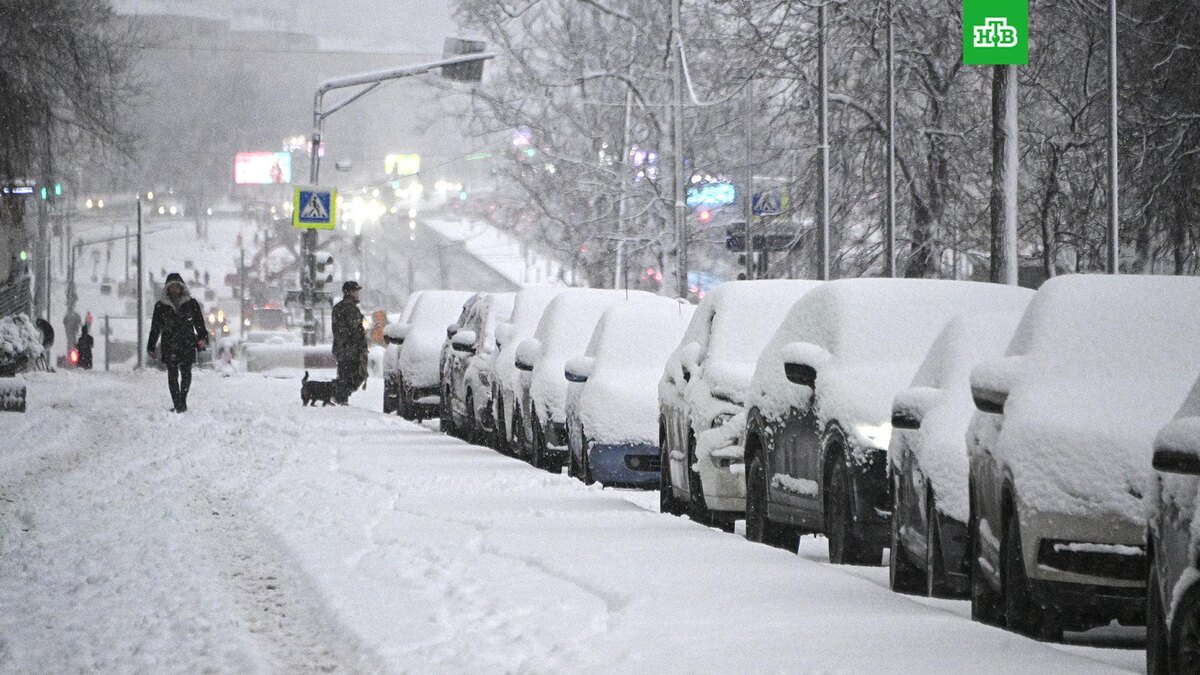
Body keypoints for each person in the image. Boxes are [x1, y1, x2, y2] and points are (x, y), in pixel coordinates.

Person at [147, 272, 208, 412]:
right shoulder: (160, 306)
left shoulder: (191, 304)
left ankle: (182, 400)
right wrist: (151, 346)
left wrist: (202, 338)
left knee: (186, 373)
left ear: (181, 288)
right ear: (167, 288)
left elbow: (199, 323)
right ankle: (178, 403)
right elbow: (155, 328)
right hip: (169, 344)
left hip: (187, 343)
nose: (174, 289)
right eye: (172, 286)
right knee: (172, 375)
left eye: (177, 286)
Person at [331, 280, 367, 405]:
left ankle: (339, 395)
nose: (358, 294)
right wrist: (361, 345)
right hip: (350, 348)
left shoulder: (338, 307)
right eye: (356, 291)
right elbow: (355, 330)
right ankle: (338, 395)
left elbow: (338, 330)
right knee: (356, 375)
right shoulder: (351, 309)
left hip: (341, 348)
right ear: (351, 292)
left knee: (344, 374)